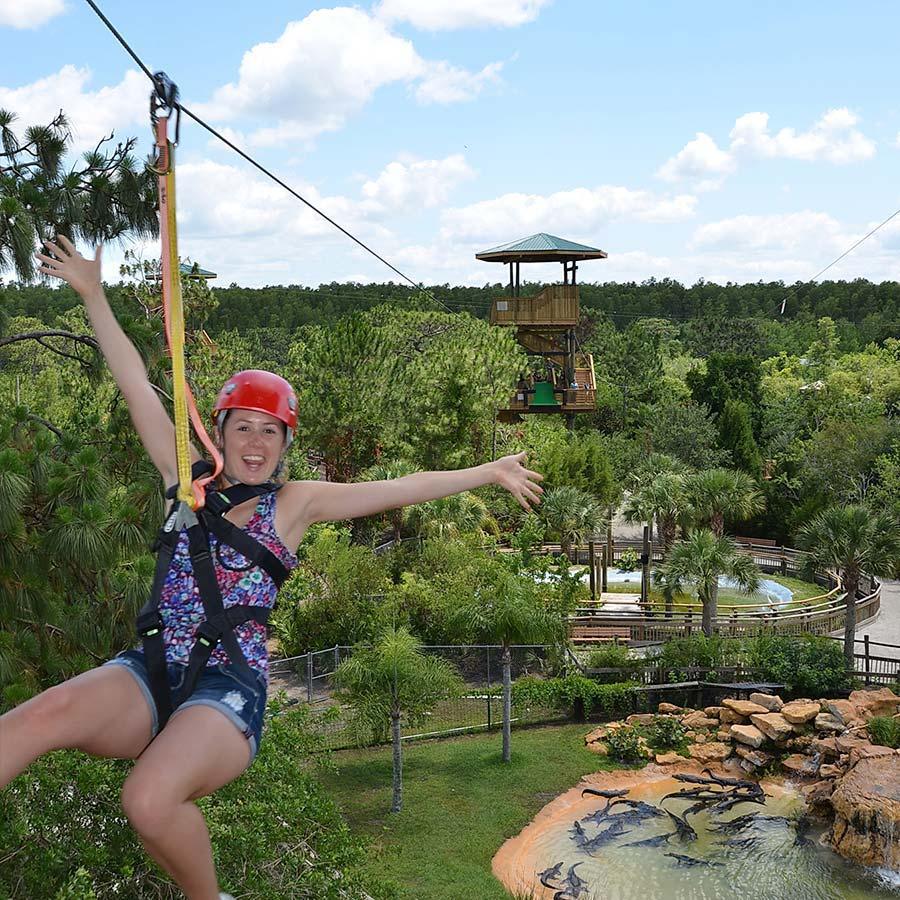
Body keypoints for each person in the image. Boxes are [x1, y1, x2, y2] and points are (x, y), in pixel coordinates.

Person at [0, 237, 544, 900]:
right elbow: (135, 385)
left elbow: (402, 484)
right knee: (30, 721)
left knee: (148, 801)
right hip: (150, 669)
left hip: (228, 689)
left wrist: (487, 471)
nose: (255, 443)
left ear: (285, 444)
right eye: (244, 428)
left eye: (270, 431)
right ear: (219, 432)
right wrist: (93, 295)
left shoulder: (293, 505)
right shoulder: (184, 479)